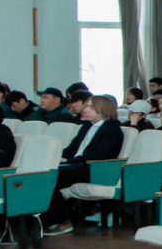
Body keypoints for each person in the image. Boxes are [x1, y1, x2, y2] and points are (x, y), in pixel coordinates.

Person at [43, 95, 126, 235]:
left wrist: (69, 161)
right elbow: (71, 149)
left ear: (102, 110)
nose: (85, 109)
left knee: (53, 177)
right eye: (86, 105)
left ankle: (63, 221)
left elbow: (99, 155)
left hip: (94, 169)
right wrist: (54, 156)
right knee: (45, 173)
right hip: (78, 165)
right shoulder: (87, 126)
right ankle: (46, 219)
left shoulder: (112, 129)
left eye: (90, 107)